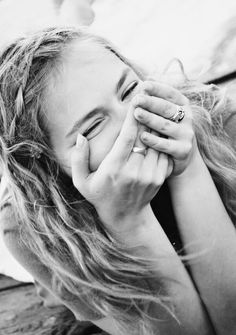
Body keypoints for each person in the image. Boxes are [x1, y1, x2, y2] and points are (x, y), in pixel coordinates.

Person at [0, 26, 236, 335]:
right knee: (53, 295)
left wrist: (188, 166)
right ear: (49, 163)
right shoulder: (30, 230)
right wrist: (128, 220)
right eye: (94, 125)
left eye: (128, 90)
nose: (134, 120)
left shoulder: (219, 121)